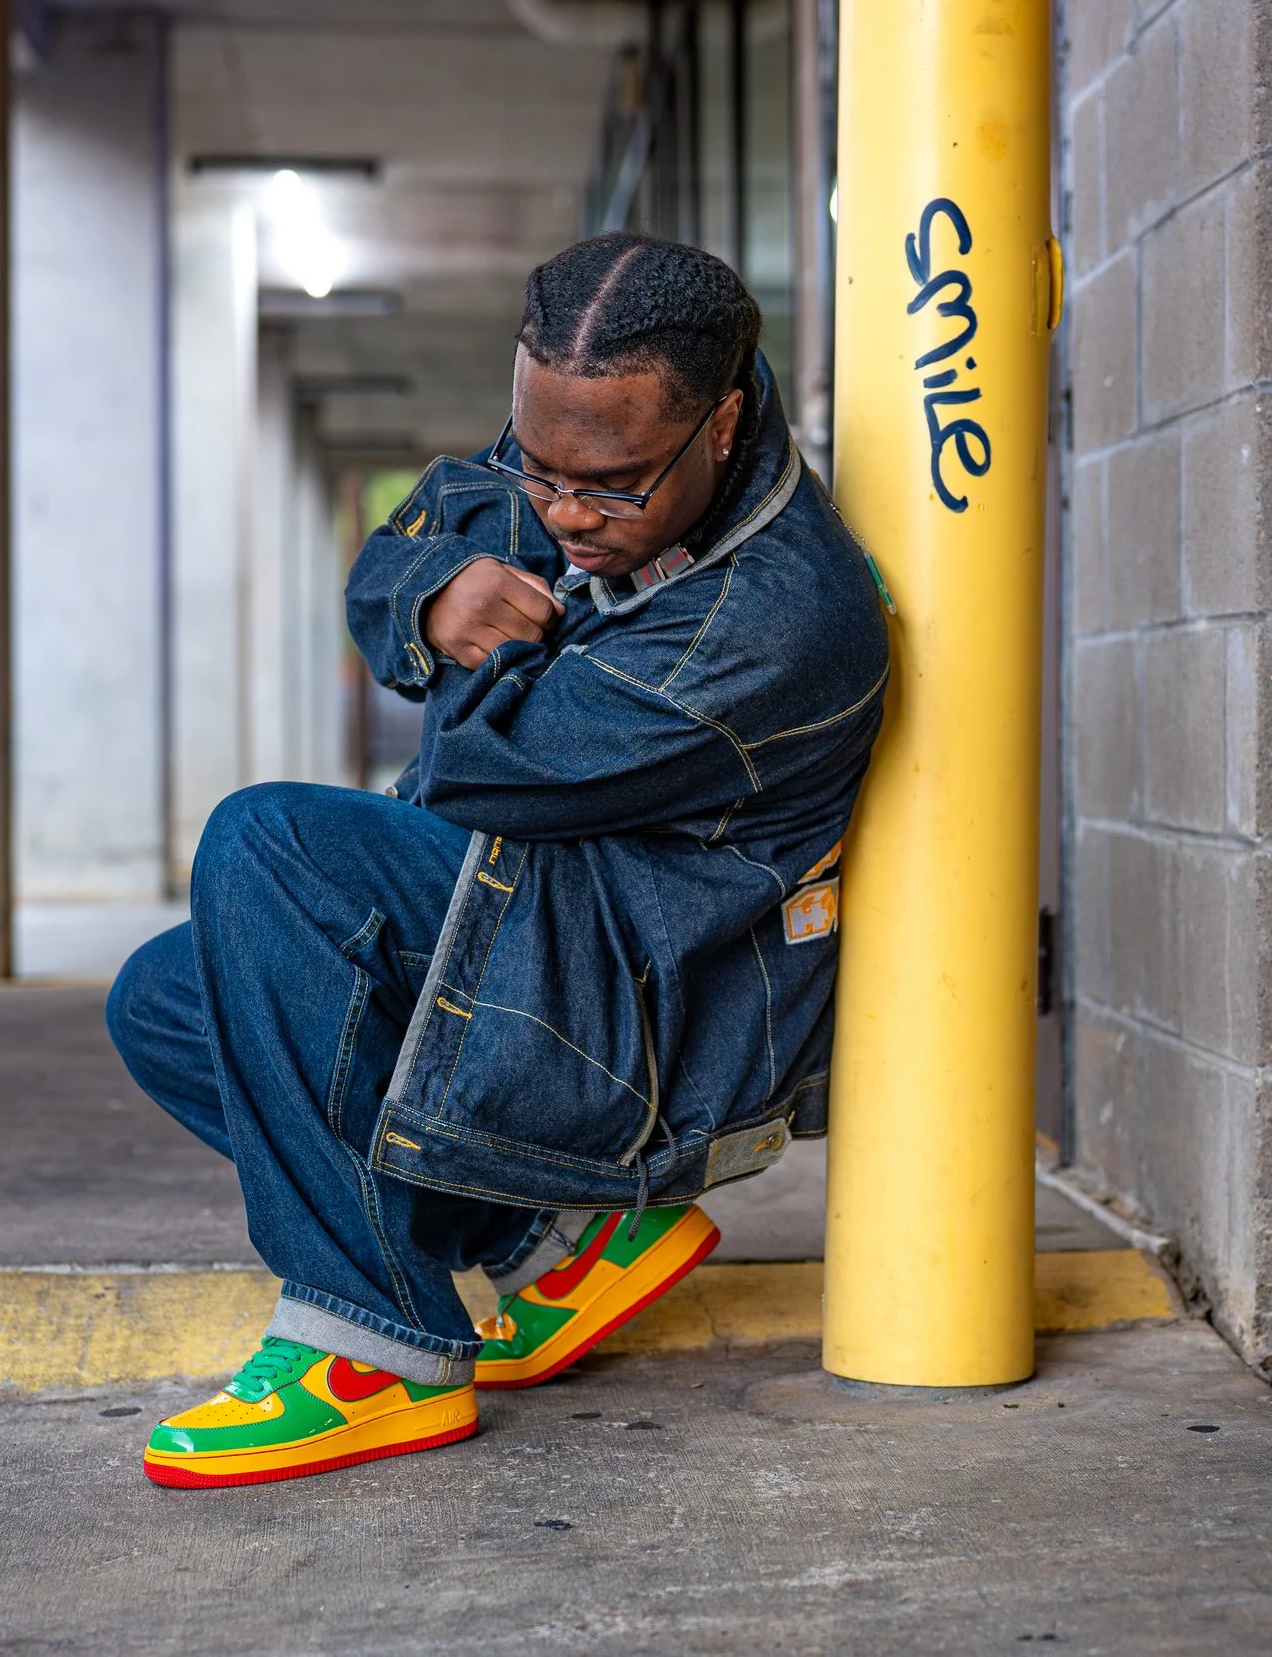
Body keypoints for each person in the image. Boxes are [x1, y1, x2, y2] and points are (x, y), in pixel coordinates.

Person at [107, 233, 888, 1489]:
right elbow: (418, 530)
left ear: (723, 421)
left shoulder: (774, 619)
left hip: (648, 1010)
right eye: (540, 466)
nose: (568, 514)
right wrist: (433, 594)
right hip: (551, 929)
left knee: (272, 846)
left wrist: (475, 593)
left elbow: (478, 766)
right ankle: (544, 1232)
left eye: (614, 487)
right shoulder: (597, 443)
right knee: (166, 999)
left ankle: (373, 1349)